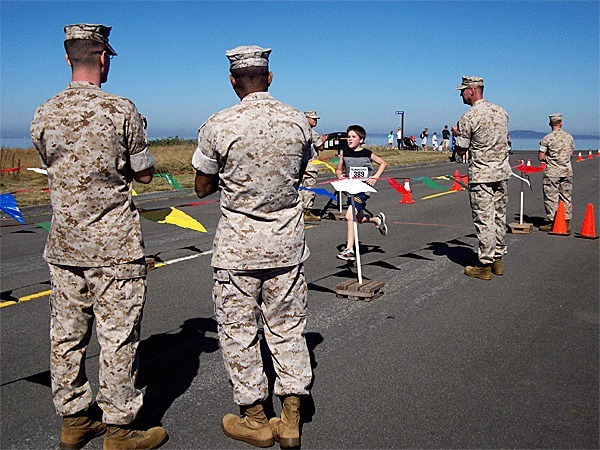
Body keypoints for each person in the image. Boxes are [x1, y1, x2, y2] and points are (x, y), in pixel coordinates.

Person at [30, 23, 167, 449]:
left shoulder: (43, 112)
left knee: (67, 335)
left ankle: (73, 420)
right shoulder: (120, 110)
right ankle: (120, 428)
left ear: (68, 58)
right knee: (117, 335)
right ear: (103, 57)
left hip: (65, 244)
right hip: (113, 246)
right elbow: (144, 173)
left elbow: (53, 163)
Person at [192, 45, 313, 449]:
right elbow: (299, 173)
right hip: (286, 246)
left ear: (232, 81)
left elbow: (202, 185)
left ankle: (256, 419)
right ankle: (292, 415)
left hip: (238, 252)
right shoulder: (297, 121)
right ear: (270, 77)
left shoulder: (219, 124)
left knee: (240, 333)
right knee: (288, 328)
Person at [452, 76, 510, 281]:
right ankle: (498, 260)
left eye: (463, 91)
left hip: (482, 174)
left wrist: (457, 136)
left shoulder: (469, 117)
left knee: (484, 219)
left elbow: (461, 150)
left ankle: (485, 264)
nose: (461, 95)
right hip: (502, 172)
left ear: (472, 90)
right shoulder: (502, 112)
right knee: (499, 216)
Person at [335, 125, 388, 261]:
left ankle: (349, 250)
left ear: (361, 139)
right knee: (358, 219)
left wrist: (375, 177)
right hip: (350, 189)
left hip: (362, 190)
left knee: (349, 216)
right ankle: (377, 219)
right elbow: (339, 170)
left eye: (353, 137)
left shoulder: (367, 153)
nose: (349, 139)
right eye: (348, 136)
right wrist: (340, 175)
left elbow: (383, 163)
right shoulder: (344, 153)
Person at [538, 114, 574, 232]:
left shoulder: (547, 138)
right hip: (566, 171)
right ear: (561, 123)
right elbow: (571, 153)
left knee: (551, 197)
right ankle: (566, 221)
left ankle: (553, 221)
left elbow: (541, 157)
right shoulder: (569, 137)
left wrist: (549, 157)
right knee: (566, 196)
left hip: (552, 171)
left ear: (550, 124)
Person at [301, 110, 328, 222]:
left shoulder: (299, 131)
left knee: (299, 188)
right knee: (309, 187)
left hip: (299, 164)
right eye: (313, 119)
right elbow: (320, 147)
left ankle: (300, 209)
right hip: (310, 165)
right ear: (306, 118)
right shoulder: (312, 133)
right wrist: (323, 141)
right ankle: (307, 210)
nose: (315, 121)